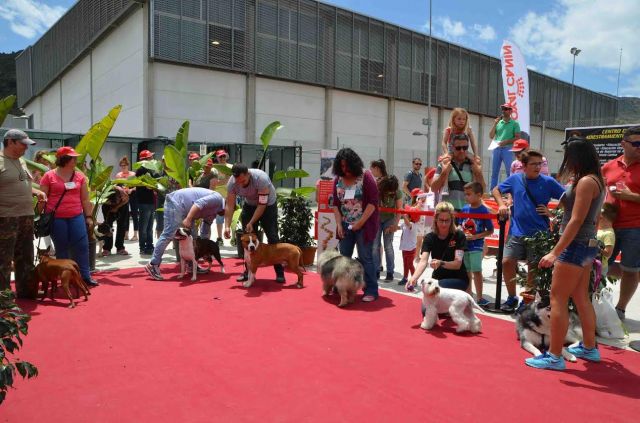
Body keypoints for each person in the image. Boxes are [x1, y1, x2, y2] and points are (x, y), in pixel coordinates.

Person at [525, 137, 606, 371]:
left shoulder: (585, 183)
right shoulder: (595, 180)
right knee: (581, 297)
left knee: (557, 299)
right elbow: (588, 216)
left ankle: (554, 356)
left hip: (575, 245)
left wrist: (554, 252)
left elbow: (576, 220)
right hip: (587, 244)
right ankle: (589, 348)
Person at [492, 150, 565, 312]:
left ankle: (526, 302)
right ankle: (512, 297)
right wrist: (502, 205)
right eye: (534, 164)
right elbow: (496, 190)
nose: (538, 167)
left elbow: (567, 198)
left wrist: (552, 213)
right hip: (516, 230)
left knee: (533, 268)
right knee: (506, 262)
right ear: (524, 166)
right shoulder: (515, 178)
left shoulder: (548, 181)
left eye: (540, 164)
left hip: (539, 233)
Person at [39, 146, 98, 287]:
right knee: (62, 248)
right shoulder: (49, 176)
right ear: (64, 159)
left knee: (82, 247)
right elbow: (42, 198)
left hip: (76, 216)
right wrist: (39, 215)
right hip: (56, 218)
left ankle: (85, 276)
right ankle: (66, 276)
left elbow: (85, 199)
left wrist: (88, 216)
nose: (76, 160)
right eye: (73, 157)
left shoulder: (80, 176)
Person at [0, 129, 46, 298]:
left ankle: (26, 291)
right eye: (23, 144)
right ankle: (3, 298)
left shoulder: (21, 161)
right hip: (5, 218)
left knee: (26, 256)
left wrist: (36, 191)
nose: (26, 149)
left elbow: (20, 183)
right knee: (3, 260)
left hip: (26, 216)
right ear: (10, 142)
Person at [601, 125, 640, 321]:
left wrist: (630, 196)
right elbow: (597, 191)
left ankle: (620, 309)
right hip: (608, 226)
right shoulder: (609, 166)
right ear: (623, 144)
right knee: (597, 266)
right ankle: (593, 304)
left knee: (631, 270)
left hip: (636, 228)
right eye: (637, 143)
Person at [331, 148, 380, 302]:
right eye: (342, 167)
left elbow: (373, 203)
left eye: (347, 166)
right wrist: (339, 224)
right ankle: (343, 287)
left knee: (366, 258)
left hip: (364, 225)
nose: (345, 170)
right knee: (344, 258)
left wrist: (360, 223)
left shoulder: (366, 176)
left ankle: (371, 289)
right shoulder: (337, 180)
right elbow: (334, 204)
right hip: (345, 225)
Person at [223, 163, 286, 283]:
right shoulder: (232, 183)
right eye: (238, 182)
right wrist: (227, 226)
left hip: (268, 206)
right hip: (250, 206)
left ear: (248, 174)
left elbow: (262, 205)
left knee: (273, 237)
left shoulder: (261, 178)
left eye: (243, 181)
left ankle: (279, 272)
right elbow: (230, 205)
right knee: (248, 238)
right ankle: (248, 273)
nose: (240, 184)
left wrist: (252, 221)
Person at [145, 188, 225, 280]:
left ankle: (191, 265)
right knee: (169, 234)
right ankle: (153, 264)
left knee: (194, 236)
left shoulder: (216, 211)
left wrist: (205, 247)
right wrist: (188, 218)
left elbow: (205, 228)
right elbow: (198, 203)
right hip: (176, 203)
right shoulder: (217, 198)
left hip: (187, 210)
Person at [406, 201, 469, 292]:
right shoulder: (429, 237)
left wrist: (441, 263)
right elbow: (423, 261)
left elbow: (457, 264)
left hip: (458, 279)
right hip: (437, 279)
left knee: (437, 288)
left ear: (452, 220)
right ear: (435, 219)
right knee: (426, 304)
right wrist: (413, 278)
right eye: (441, 220)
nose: (444, 224)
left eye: (447, 220)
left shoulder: (459, 235)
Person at [459, 182, 494, 306]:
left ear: (479, 195)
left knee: (477, 271)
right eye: (465, 194)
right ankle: (468, 295)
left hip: (476, 247)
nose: (466, 197)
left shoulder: (483, 210)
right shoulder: (464, 209)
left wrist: (475, 237)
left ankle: (480, 298)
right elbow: (460, 224)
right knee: (466, 271)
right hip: (464, 247)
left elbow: (490, 230)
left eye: (469, 194)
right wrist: (460, 232)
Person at [431, 134, 485, 211]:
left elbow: (482, 190)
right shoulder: (444, 164)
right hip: (448, 214)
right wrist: (444, 172)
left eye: (465, 147)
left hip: (467, 213)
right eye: (458, 148)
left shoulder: (473, 165)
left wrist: (478, 172)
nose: (462, 151)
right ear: (452, 148)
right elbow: (434, 188)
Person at [370, 159, 402, 281]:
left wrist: (395, 225)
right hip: (377, 219)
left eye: (391, 192)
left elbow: (399, 209)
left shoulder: (396, 191)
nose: (389, 194)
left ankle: (390, 272)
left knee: (388, 246)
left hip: (389, 220)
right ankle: (376, 270)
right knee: (375, 245)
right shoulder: (378, 189)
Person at [489, 103, 521, 189]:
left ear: (511, 111)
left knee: (509, 171)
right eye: (503, 109)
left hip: (508, 148)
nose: (504, 110)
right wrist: (495, 124)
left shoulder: (515, 123)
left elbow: (517, 137)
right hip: (496, 148)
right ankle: (492, 191)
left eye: (506, 109)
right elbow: (491, 136)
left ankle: (509, 191)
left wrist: (506, 142)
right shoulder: (498, 122)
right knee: (494, 172)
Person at [135, 150, 157, 255]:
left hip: (150, 202)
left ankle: (149, 246)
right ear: (145, 159)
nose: (152, 159)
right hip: (144, 202)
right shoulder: (140, 170)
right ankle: (142, 247)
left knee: (149, 227)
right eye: (150, 157)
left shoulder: (150, 170)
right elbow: (146, 186)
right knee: (144, 227)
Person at [115, 156, 138, 241]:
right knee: (125, 215)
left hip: (132, 195)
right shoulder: (118, 175)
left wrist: (131, 190)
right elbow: (116, 186)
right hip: (123, 196)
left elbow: (137, 186)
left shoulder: (133, 174)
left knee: (135, 214)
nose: (123, 167)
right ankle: (126, 234)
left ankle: (135, 234)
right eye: (122, 165)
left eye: (125, 165)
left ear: (128, 165)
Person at [596, 203, 617, 278]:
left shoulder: (609, 234)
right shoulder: (600, 230)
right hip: (593, 264)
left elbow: (608, 253)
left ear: (601, 218)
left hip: (599, 267)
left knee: (594, 287)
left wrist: (595, 247)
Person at [399, 214, 418, 286]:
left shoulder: (413, 225)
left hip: (411, 248)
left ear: (410, 218)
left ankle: (414, 279)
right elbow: (398, 227)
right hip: (404, 248)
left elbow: (408, 225)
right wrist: (392, 227)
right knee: (405, 264)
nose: (404, 218)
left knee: (410, 264)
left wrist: (403, 215)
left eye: (406, 216)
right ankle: (405, 278)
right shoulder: (404, 224)